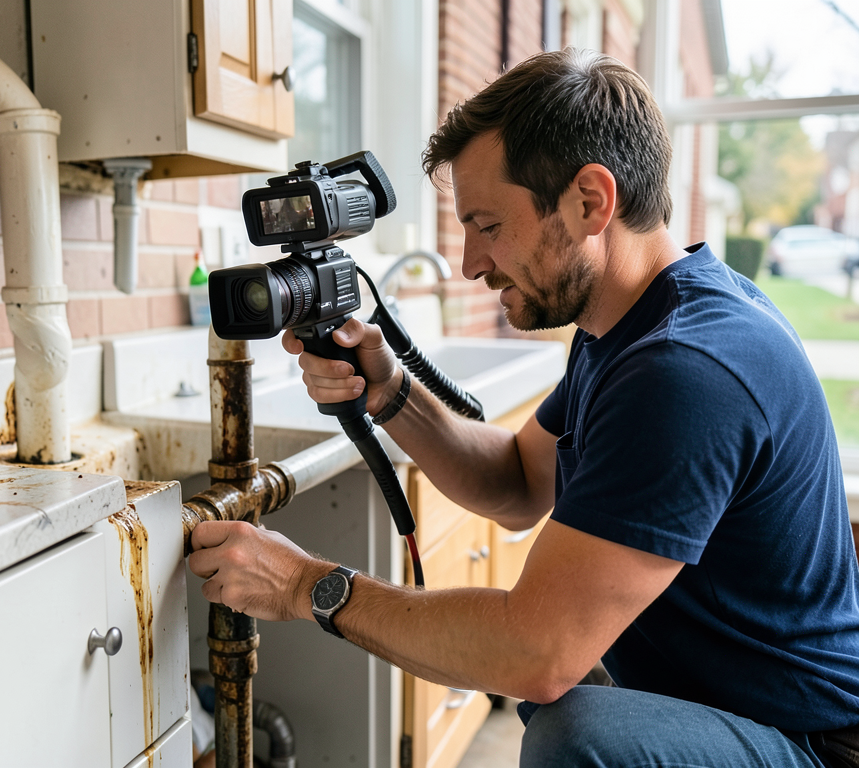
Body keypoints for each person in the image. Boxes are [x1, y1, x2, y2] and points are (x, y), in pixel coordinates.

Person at [187, 48, 859, 767]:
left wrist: (302, 585)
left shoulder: (686, 368)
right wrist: (391, 394)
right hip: (721, 703)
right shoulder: (628, 324)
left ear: (590, 202)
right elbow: (514, 484)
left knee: (577, 735)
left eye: (488, 225)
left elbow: (535, 653)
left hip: (810, 744)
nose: (473, 263)